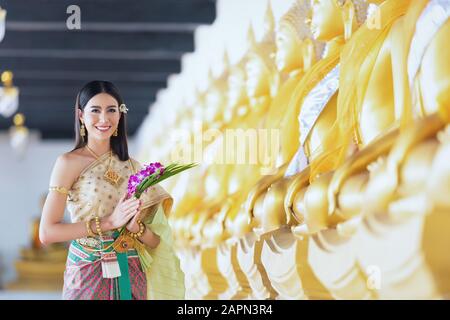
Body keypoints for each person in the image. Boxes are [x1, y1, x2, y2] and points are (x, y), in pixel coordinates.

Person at [39, 80, 185, 300]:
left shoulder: (136, 169)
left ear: (120, 115)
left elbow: (156, 242)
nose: (104, 119)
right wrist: (108, 222)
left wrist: (136, 227)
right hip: (87, 269)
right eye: (95, 110)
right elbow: (47, 233)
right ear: (81, 115)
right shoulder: (68, 163)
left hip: (132, 269)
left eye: (111, 110)